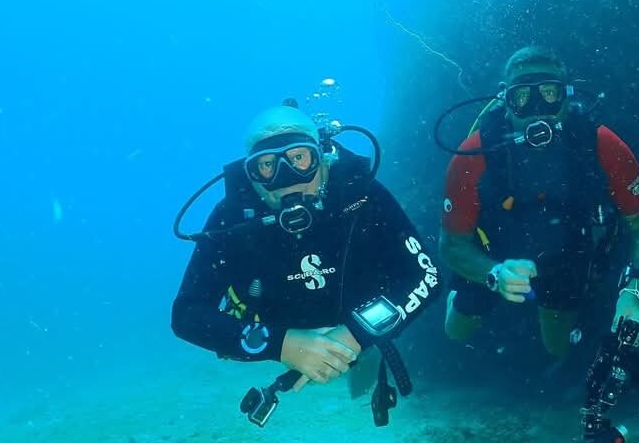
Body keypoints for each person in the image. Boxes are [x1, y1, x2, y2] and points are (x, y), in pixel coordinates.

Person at [172, 104, 440, 400]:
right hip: (275, 329)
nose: (286, 178)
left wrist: (355, 335)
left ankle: (362, 354)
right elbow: (187, 314)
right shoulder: (232, 218)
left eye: (299, 158)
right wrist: (282, 346)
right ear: (252, 177)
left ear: (323, 158)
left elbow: (426, 276)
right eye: (266, 165)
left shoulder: (361, 196)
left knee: (364, 370)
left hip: (361, 321)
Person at [439, 46, 639, 357]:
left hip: (566, 252)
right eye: (522, 97)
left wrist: (632, 292)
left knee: (558, 347)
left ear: (567, 97)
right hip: (491, 252)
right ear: (505, 100)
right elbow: (451, 243)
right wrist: (493, 274)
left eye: (548, 93)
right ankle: (463, 298)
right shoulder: (472, 154)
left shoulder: (602, 145)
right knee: (456, 330)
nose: (537, 108)